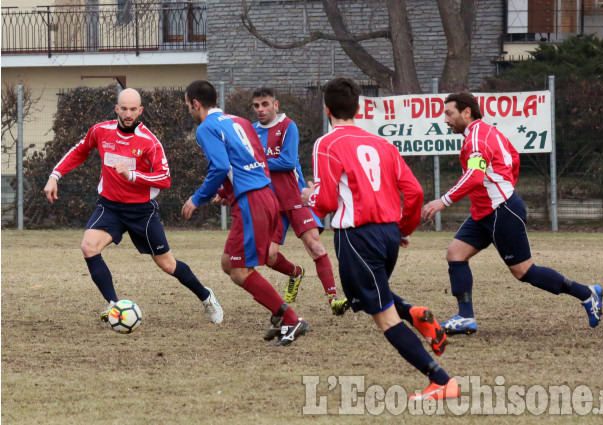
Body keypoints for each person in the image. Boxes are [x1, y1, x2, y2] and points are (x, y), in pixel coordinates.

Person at [301, 77, 457, 401]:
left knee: (383, 317)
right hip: (386, 233)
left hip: (357, 236)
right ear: (358, 109)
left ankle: (441, 380)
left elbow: (327, 201)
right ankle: (415, 313)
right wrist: (402, 229)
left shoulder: (326, 143)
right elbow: (414, 191)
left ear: (326, 109)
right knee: (364, 293)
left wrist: (308, 199)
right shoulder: (382, 144)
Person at [421, 91, 603, 335]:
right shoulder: (485, 132)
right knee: (455, 254)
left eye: (449, 113)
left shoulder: (477, 139)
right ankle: (465, 317)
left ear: (466, 112)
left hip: (501, 211)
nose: (445, 120)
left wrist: (443, 201)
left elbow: (475, 177)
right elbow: (512, 159)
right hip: (486, 210)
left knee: (524, 271)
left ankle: (586, 293)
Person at [43, 88, 223, 325]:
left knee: (167, 264)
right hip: (110, 207)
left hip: (141, 212)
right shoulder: (101, 131)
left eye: (133, 109)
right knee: (89, 246)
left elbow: (165, 179)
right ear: (117, 109)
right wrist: (55, 175)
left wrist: (132, 175)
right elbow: (80, 151)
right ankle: (114, 306)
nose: (128, 114)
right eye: (124, 108)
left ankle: (206, 296)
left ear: (140, 111)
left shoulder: (149, 142)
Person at [181, 80, 309, 347]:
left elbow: (219, 167)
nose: (189, 112)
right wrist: (229, 193)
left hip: (252, 201)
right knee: (229, 264)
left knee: (240, 271)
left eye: (187, 106)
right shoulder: (239, 121)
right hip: (263, 195)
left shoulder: (206, 128)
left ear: (196, 104)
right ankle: (279, 313)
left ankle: (291, 318)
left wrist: (197, 198)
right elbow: (257, 161)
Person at [251, 87, 349, 318]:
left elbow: (287, 162)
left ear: (276, 105)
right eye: (256, 106)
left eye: (265, 104)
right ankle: (295, 273)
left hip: (294, 198)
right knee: (269, 257)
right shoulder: (252, 131)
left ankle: (334, 300)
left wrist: (257, 162)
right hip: (270, 202)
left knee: (314, 246)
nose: (260, 110)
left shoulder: (288, 126)